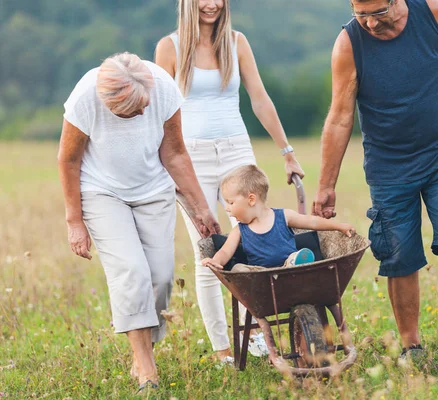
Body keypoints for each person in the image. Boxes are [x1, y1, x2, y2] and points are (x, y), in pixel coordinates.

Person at [313, 0, 438, 367]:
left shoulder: (433, 13)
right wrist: (326, 184)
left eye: (378, 13)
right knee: (398, 254)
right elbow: (339, 116)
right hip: (388, 166)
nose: (369, 23)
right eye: (360, 13)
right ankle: (412, 348)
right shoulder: (349, 44)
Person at [57, 52, 221, 393]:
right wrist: (75, 221)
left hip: (153, 188)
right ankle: (146, 367)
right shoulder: (86, 98)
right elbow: (69, 159)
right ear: (109, 102)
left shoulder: (162, 89)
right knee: (131, 273)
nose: (145, 112)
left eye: (145, 104)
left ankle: (143, 347)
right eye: (133, 110)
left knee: (160, 278)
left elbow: (174, 153)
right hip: (101, 191)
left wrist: (201, 207)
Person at [154, 0, 305, 362]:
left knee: (254, 243)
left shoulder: (236, 41)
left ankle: (256, 334)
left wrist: (287, 152)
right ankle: (224, 349)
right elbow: (158, 113)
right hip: (191, 157)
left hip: (237, 151)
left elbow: (259, 98)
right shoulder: (169, 47)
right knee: (208, 251)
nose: (212, 4)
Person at [201, 165, 356, 272]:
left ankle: (294, 264)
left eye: (230, 202)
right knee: (238, 269)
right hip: (259, 274)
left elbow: (312, 222)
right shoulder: (239, 230)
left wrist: (338, 226)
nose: (227, 208)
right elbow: (225, 252)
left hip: (289, 269)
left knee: (296, 259)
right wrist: (215, 261)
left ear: (251, 199)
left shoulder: (283, 216)